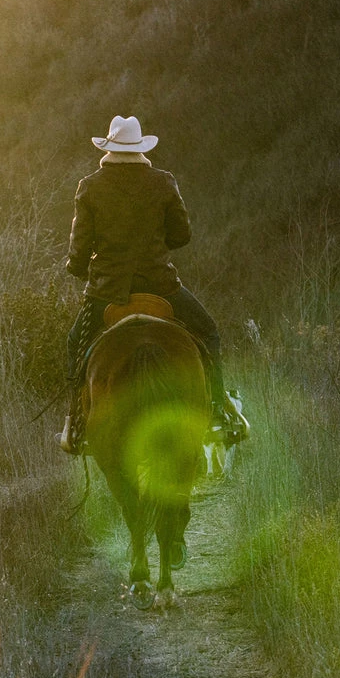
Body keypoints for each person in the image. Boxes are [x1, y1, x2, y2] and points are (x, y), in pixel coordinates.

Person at [61, 114, 248, 454]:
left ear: (109, 148)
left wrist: (78, 267)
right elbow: (182, 235)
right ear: (139, 148)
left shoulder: (89, 186)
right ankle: (219, 413)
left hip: (107, 291)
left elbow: (79, 248)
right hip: (162, 286)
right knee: (208, 332)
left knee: (75, 344)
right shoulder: (163, 181)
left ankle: (76, 425)